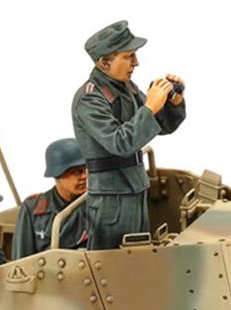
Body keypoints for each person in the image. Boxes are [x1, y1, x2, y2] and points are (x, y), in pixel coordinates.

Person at [72, 20, 186, 250]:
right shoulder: (90, 98)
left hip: (134, 187)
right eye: (128, 56)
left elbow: (162, 126)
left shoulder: (127, 88)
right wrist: (150, 107)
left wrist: (173, 99)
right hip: (111, 198)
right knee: (111, 263)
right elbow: (120, 143)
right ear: (104, 62)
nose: (136, 62)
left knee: (137, 255)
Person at [11, 138, 90, 259]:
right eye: (77, 172)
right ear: (58, 174)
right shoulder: (33, 208)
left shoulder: (96, 204)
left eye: (86, 169)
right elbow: (22, 258)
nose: (84, 176)